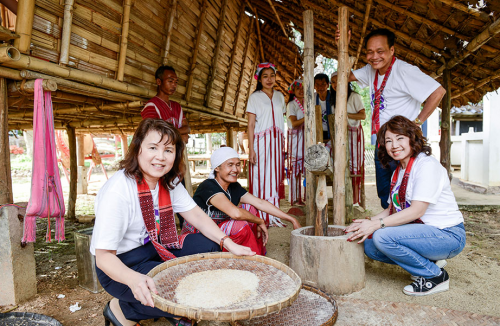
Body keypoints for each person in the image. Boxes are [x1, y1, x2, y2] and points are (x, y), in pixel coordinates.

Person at [90, 119, 254, 326]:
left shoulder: (169, 182)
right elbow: (103, 258)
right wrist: (134, 280)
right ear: (137, 149)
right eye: (152, 148)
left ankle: (171, 307)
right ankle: (122, 309)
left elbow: (196, 215)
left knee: (211, 247)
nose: (160, 157)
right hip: (121, 263)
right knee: (176, 289)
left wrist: (229, 244)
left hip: (156, 246)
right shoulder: (118, 191)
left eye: (168, 150)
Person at [345, 115, 465, 296]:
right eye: (388, 141)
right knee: (370, 245)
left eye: (400, 138)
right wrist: (367, 222)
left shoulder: (426, 165)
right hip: (423, 233)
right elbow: (390, 210)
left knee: (382, 237)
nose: (394, 145)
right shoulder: (399, 171)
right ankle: (429, 263)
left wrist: (376, 225)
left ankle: (435, 277)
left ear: (412, 138)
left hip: (447, 235)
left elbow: (417, 210)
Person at [336, 28, 446, 209]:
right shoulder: (370, 70)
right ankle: (390, 230)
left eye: (380, 51)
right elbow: (341, 77)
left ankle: (403, 233)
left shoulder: (404, 71)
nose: (374, 57)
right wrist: (343, 48)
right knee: (386, 197)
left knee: (406, 195)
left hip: (404, 145)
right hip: (382, 144)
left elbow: (438, 91)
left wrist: (417, 123)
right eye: (370, 52)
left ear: (392, 50)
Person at [182, 147, 301, 255]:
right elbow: (236, 214)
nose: (235, 169)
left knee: (251, 209)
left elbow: (260, 203)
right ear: (217, 168)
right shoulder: (208, 186)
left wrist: (291, 219)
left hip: (218, 229)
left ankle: (256, 253)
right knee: (239, 225)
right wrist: (260, 221)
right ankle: (250, 260)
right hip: (200, 234)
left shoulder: (233, 186)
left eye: (238, 164)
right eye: (230, 165)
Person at [141, 65, 191, 227]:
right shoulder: (151, 106)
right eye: (170, 81)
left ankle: (186, 227)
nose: (174, 85)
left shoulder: (177, 106)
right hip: (160, 160)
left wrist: (170, 132)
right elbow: (152, 133)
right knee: (160, 193)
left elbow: (187, 129)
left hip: (177, 159)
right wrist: (178, 134)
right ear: (158, 81)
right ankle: (160, 230)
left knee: (179, 190)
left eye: (176, 82)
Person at [247, 62, 286, 227]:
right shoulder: (254, 97)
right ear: (259, 78)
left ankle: (273, 213)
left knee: (274, 176)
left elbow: (280, 119)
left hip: (277, 141)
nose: (269, 79)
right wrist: (251, 149)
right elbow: (250, 125)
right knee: (261, 176)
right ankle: (260, 214)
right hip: (261, 141)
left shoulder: (280, 96)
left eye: (272, 75)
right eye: (265, 76)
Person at [330, 72, 366, 205]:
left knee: (355, 168)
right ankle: (343, 200)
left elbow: (363, 116)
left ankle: (355, 201)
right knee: (340, 166)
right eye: (332, 82)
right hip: (340, 137)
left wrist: (345, 114)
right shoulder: (333, 99)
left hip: (354, 136)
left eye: (337, 81)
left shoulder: (354, 97)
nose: (335, 85)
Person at [286, 79, 305, 206]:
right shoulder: (292, 104)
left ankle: (304, 198)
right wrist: (308, 117)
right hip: (295, 140)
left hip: (305, 139)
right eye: (298, 88)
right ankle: (294, 199)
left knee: (306, 170)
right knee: (294, 169)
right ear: (293, 91)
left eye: (303, 88)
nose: (301, 91)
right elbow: (294, 123)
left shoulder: (307, 103)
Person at [314, 73, 334, 143]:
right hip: (317, 132)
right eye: (317, 85)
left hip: (333, 132)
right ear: (314, 86)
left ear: (328, 85)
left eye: (323, 84)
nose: (320, 87)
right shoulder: (312, 98)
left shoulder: (334, 97)